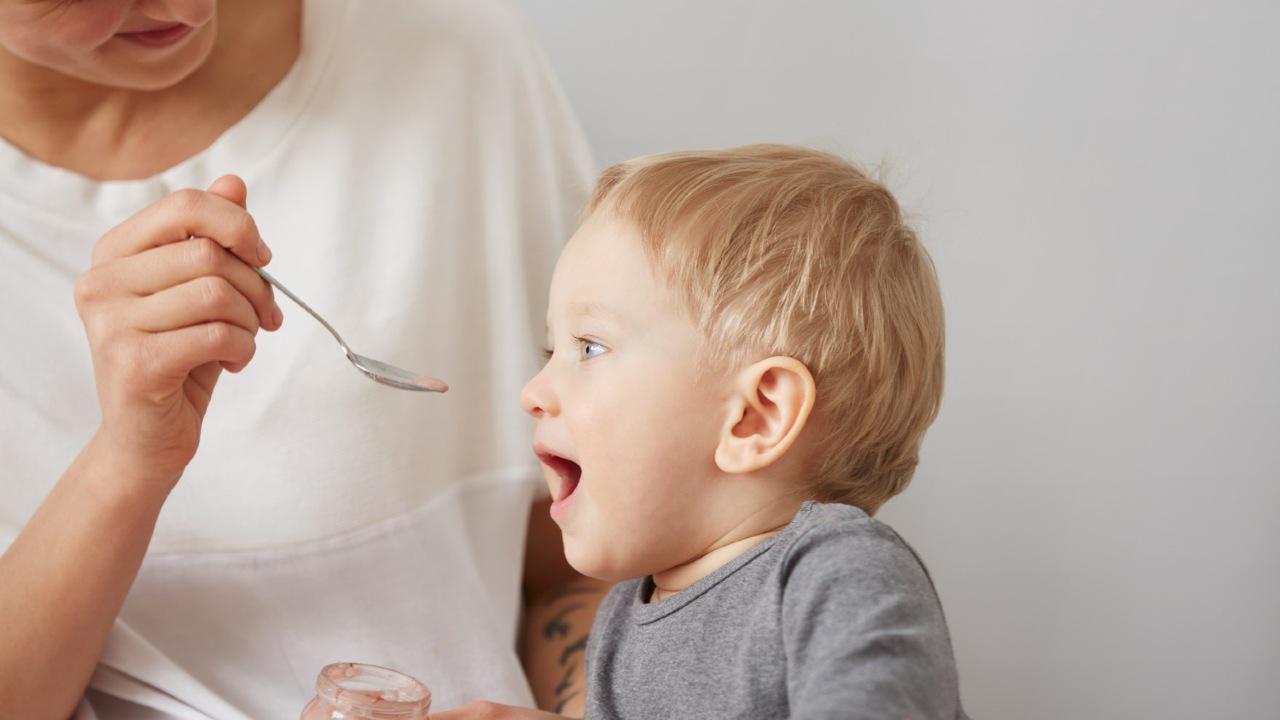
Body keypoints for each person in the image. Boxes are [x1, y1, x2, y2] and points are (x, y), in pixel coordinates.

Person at [0, 1, 607, 718]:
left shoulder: (450, 54)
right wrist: (128, 461)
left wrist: (584, 706)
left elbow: (577, 564)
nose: (191, 9)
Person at [447, 144, 967, 718]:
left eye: (589, 347)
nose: (533, 392)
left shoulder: (836, 575)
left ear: (755, 417)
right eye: (552, 349)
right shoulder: (626, 615)